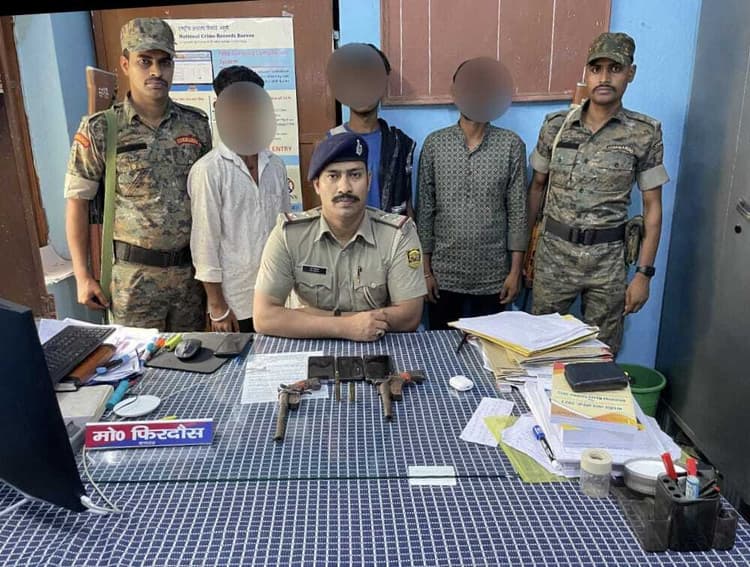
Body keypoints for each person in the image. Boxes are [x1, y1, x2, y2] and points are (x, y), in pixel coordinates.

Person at [64, 17, 212, 331]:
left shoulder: (196, 125)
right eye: (145, 61)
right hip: (133, 281)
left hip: (189, 278)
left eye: (164, 62)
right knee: (136, 359)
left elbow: (209, 199)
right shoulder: (102, 128)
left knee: (193, 355)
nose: (156, 71)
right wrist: (82, 276)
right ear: (125, 64)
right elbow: (77, 202)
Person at [528, 32, 669, 354]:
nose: (604, 78)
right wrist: (524, 255)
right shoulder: (556, 125)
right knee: (540, 349)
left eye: (615, 69)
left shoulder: (644, 133)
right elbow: (536, 189)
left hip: (608, 263)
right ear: (587, 73)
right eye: (596, 69)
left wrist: (643, 275)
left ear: (631, 73)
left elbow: (653, 208)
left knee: (601, 355)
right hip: (553, 258)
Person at [253, 133, 426, 341]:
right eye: (333, 176)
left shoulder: (399, 235)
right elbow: (264, 317)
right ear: (317, 185)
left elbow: (409, 316)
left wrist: (311, 316)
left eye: (355, 175)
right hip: (309, 346)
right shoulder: (288, 234)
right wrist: (345, 327)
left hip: (377, 345)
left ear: (369, 180)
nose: (345, 187)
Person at [416, 59, 528, 330]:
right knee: (442, 348)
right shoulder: (435, 144)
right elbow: (425, 211)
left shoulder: (511, 145)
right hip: (444, 275)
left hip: (494, 276)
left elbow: (518, 212)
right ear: (455, 92)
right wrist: (426, 272)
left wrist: (515, 272)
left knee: (489, 350)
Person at [188, 66, 290, 333]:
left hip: (277, 297)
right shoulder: (209, 170)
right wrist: (218, 308)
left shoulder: (275, 165)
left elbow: (286, 232)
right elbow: (204, 244)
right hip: (235, 303)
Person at [327, 44, 416, 216]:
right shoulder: (330, 143)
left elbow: (408, 204)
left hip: (390, 232)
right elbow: (322, 208)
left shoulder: (400, 144)